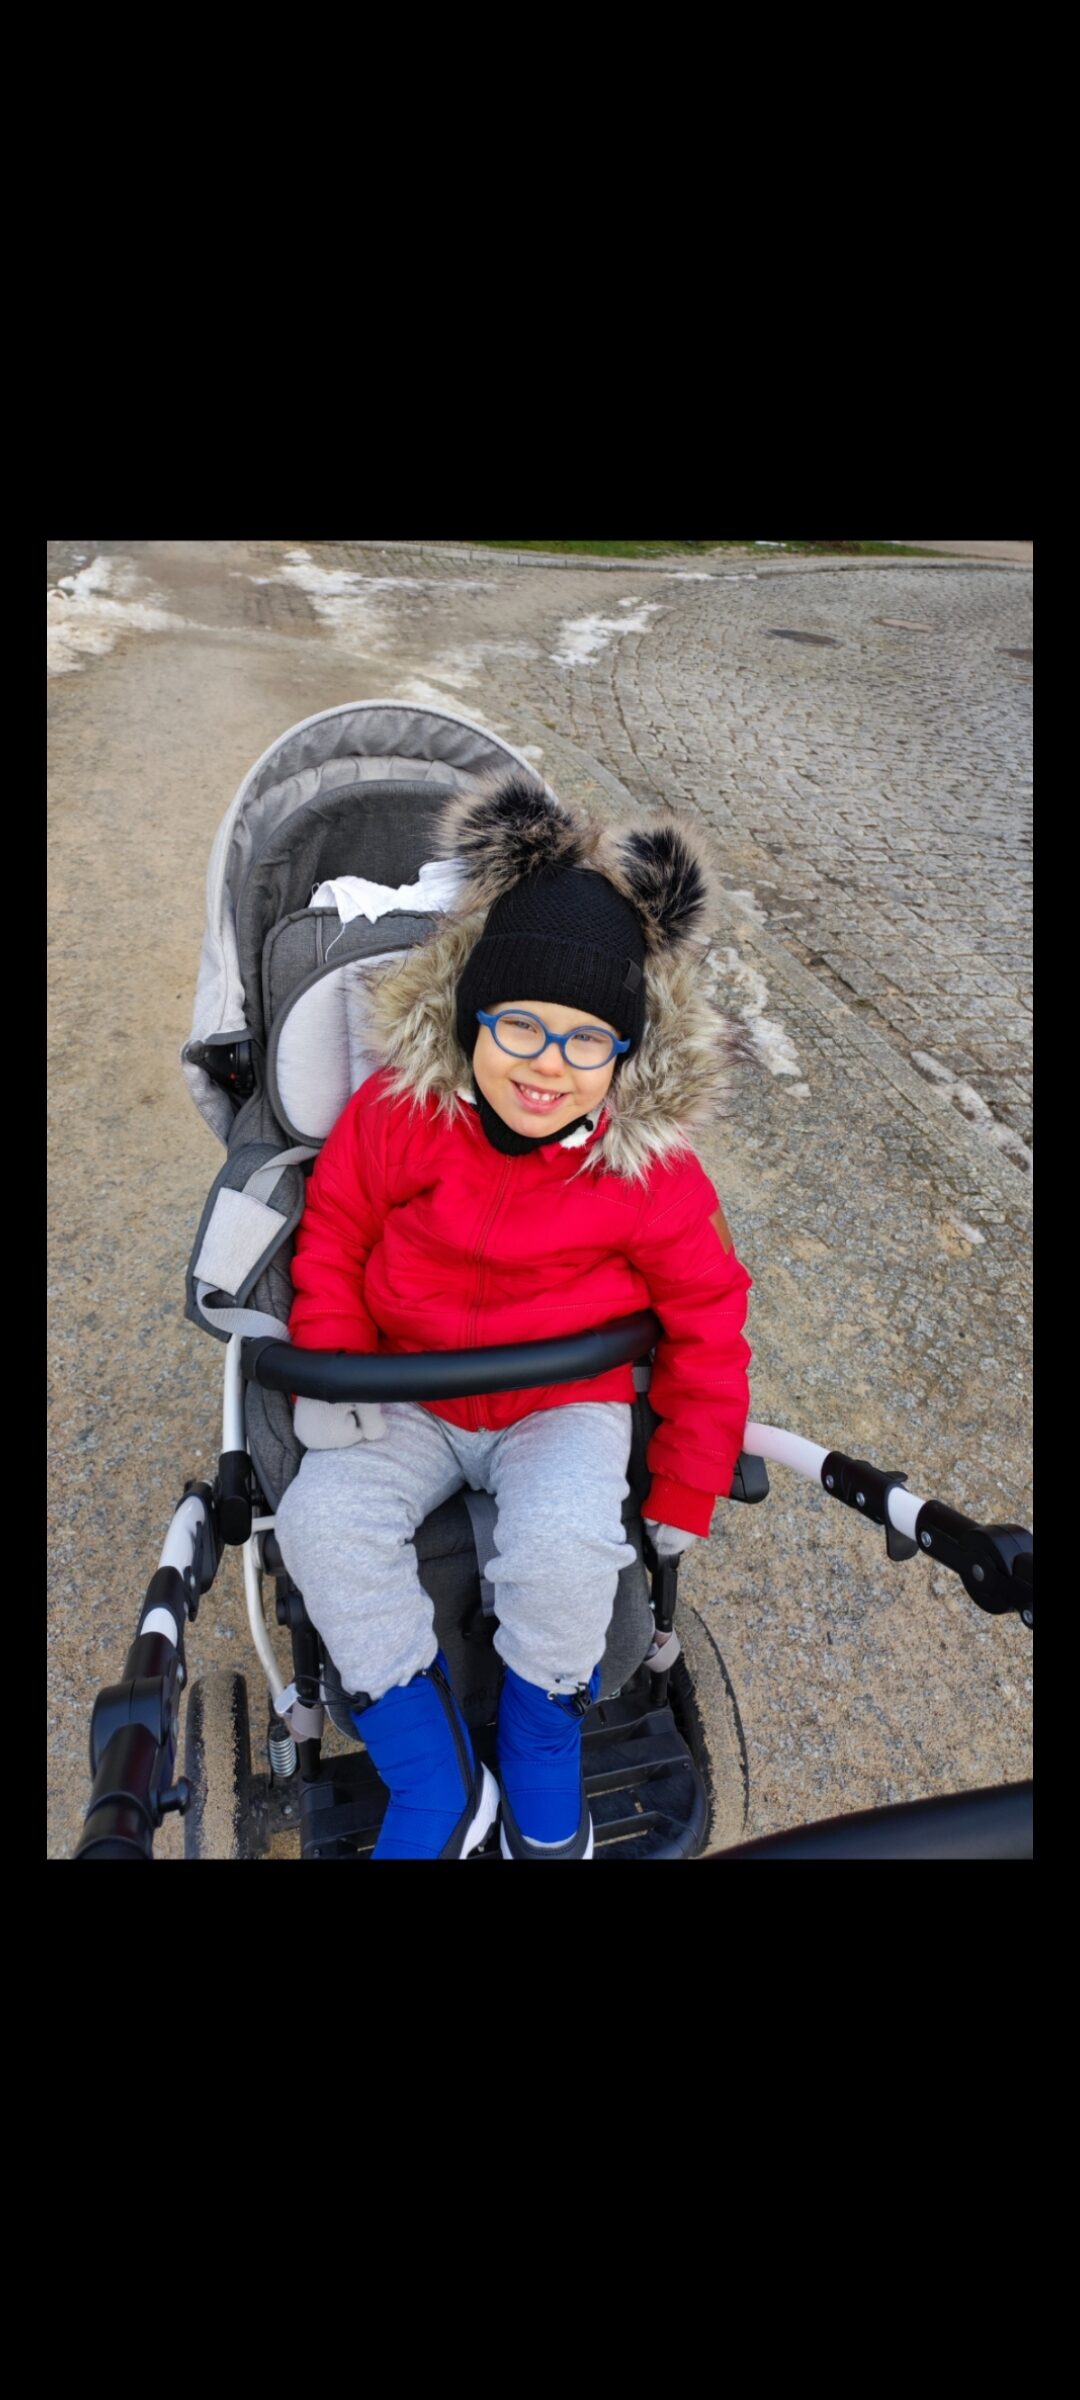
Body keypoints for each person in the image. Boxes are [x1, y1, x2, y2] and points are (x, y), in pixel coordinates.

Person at [273, 772, 753, 1860]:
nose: (547, 1066)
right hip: (405, 1386)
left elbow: (709, 1317)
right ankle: (431, 1771)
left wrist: (685, 1480)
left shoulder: (647, 1172)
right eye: (520, 1028)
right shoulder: (400, 1114)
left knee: (569, 1545)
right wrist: (335, 1366)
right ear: (470, 1019)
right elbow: (335, 1232)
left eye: (586, 1042)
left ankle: (541, 1740)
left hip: (560, 1400)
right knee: (320, 1524)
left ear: (624, 1055)